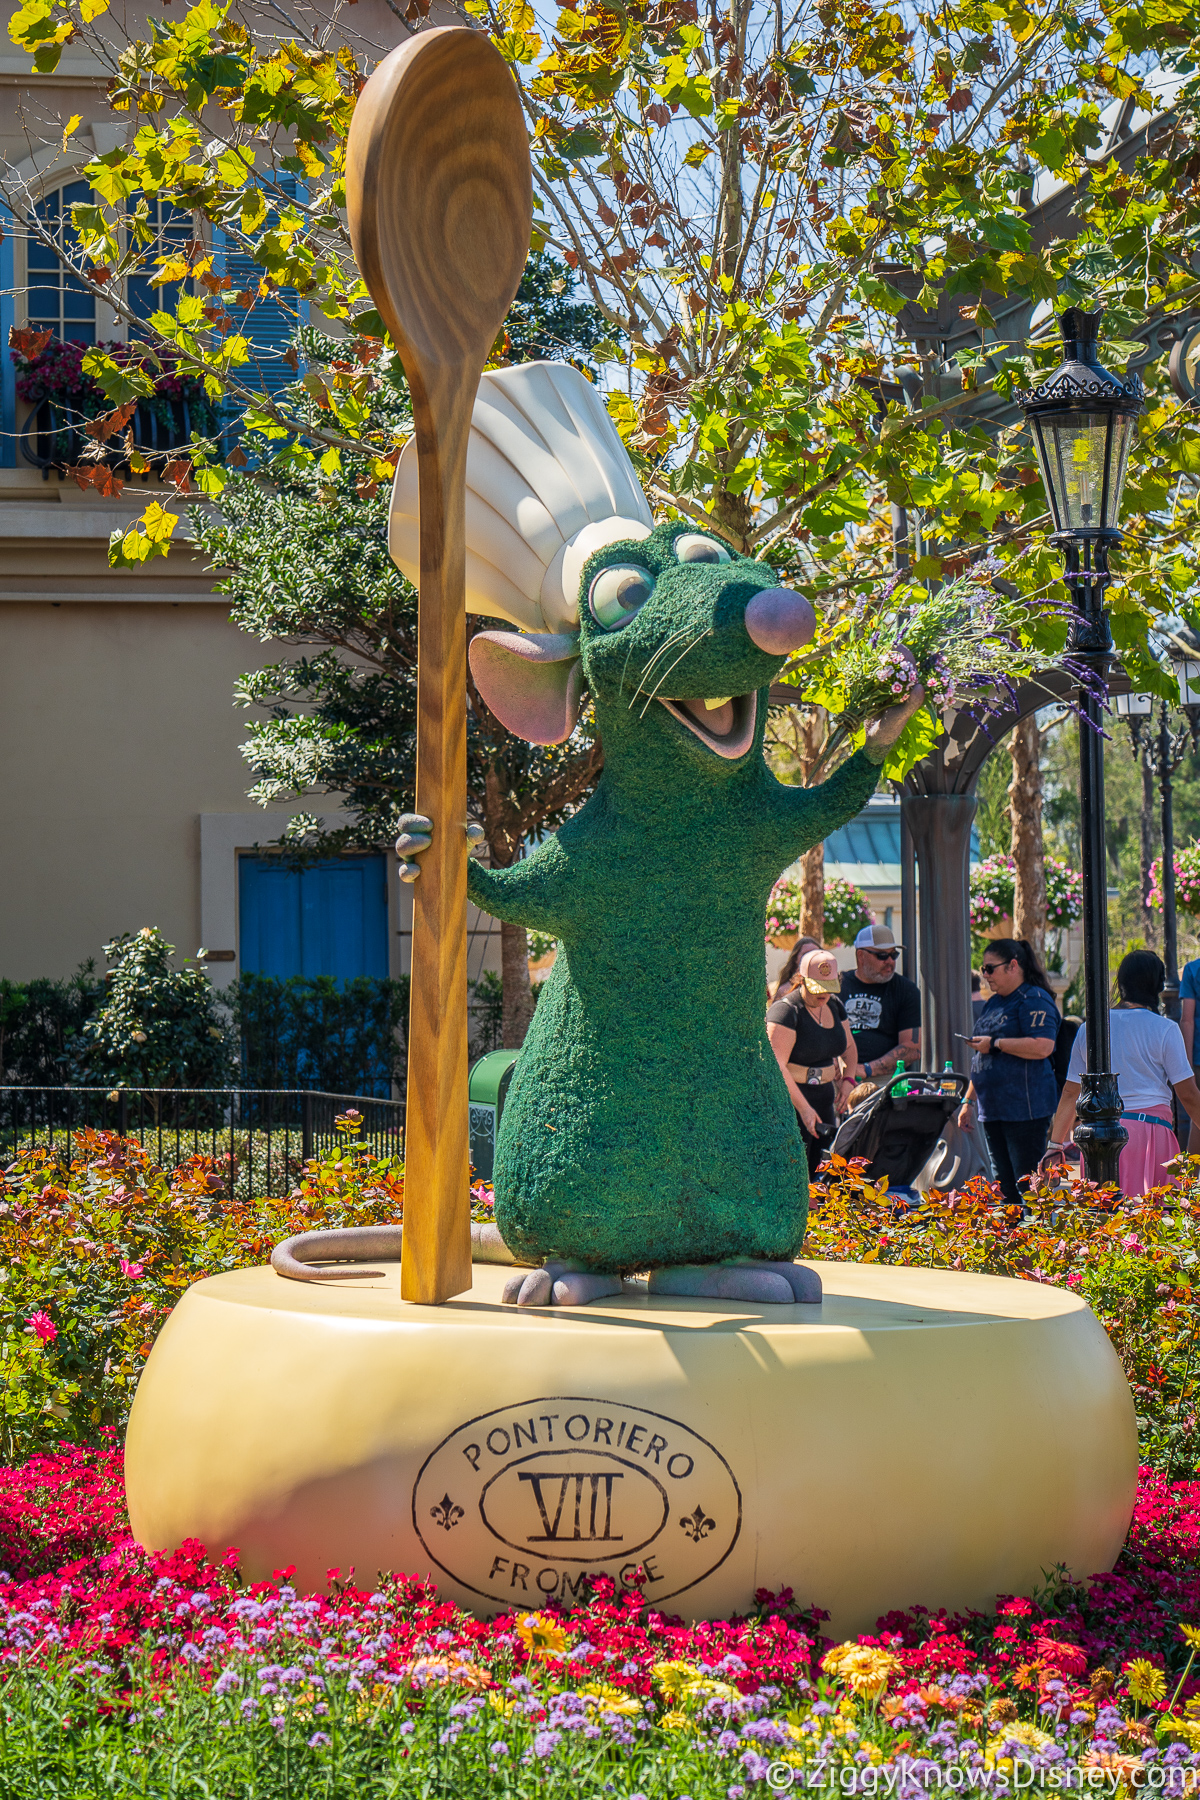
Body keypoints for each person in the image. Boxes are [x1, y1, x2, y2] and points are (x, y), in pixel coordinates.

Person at [1044, 950, 1200, 1196]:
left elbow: (1070, 1092)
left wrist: (1055, 1145)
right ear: (1157, 986)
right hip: (1152, 1133)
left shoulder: (1090, 1029)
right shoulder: (1166, 1030)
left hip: (1099, 1140)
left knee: (1105, 1222)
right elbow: (1189, 1096)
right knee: (1154, 1223)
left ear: (1121, 982)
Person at [956, 938, 1059, 1208]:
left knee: (1027, 1186)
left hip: (1024, 1109)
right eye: (983, 969)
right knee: (1004, 1188)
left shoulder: (1033, 999)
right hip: (993, 1109)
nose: (985, 975)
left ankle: (1035, 1241)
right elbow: (982, 1055)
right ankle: (1013, 1242)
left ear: (1013, 966)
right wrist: (968, 1100)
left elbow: (1043, 1046)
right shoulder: (993, 1004)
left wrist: (997, 1044)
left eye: (990, 968)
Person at [767, 947, 857, 1170]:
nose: (823, 995)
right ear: (802, 979)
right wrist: (804, 1109)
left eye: (829, 987)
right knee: (795, 1171)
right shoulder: (786, 1010)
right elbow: (776, 1065)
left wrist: (848, 1081)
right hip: (791, 1101)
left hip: (825, 1098)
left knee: (823, 1171)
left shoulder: (835, 1006)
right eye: (817, 987)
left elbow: (850, 1047)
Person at [839, 924, 921, 1081]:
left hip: (886, 1080)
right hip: (840, 1077)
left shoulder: (905, 990)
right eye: (882, 955)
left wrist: (867, 1069)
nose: (890, 961)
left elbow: (913, 1048)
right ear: (861, 956)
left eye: (894, 955)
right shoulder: (839, 985)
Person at [1180, 952, 1200, 1153]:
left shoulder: (1192, 970)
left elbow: (1187, 1019)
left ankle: (1190, 1177)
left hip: (1199, 1055)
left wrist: (1186, 1064)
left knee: (1198, 1117)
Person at [768, 935, 821, 1004]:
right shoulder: (785, 990)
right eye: (806, 954)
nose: (811, 957)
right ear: (796, 959)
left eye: (815, 954)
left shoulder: (829, 988)